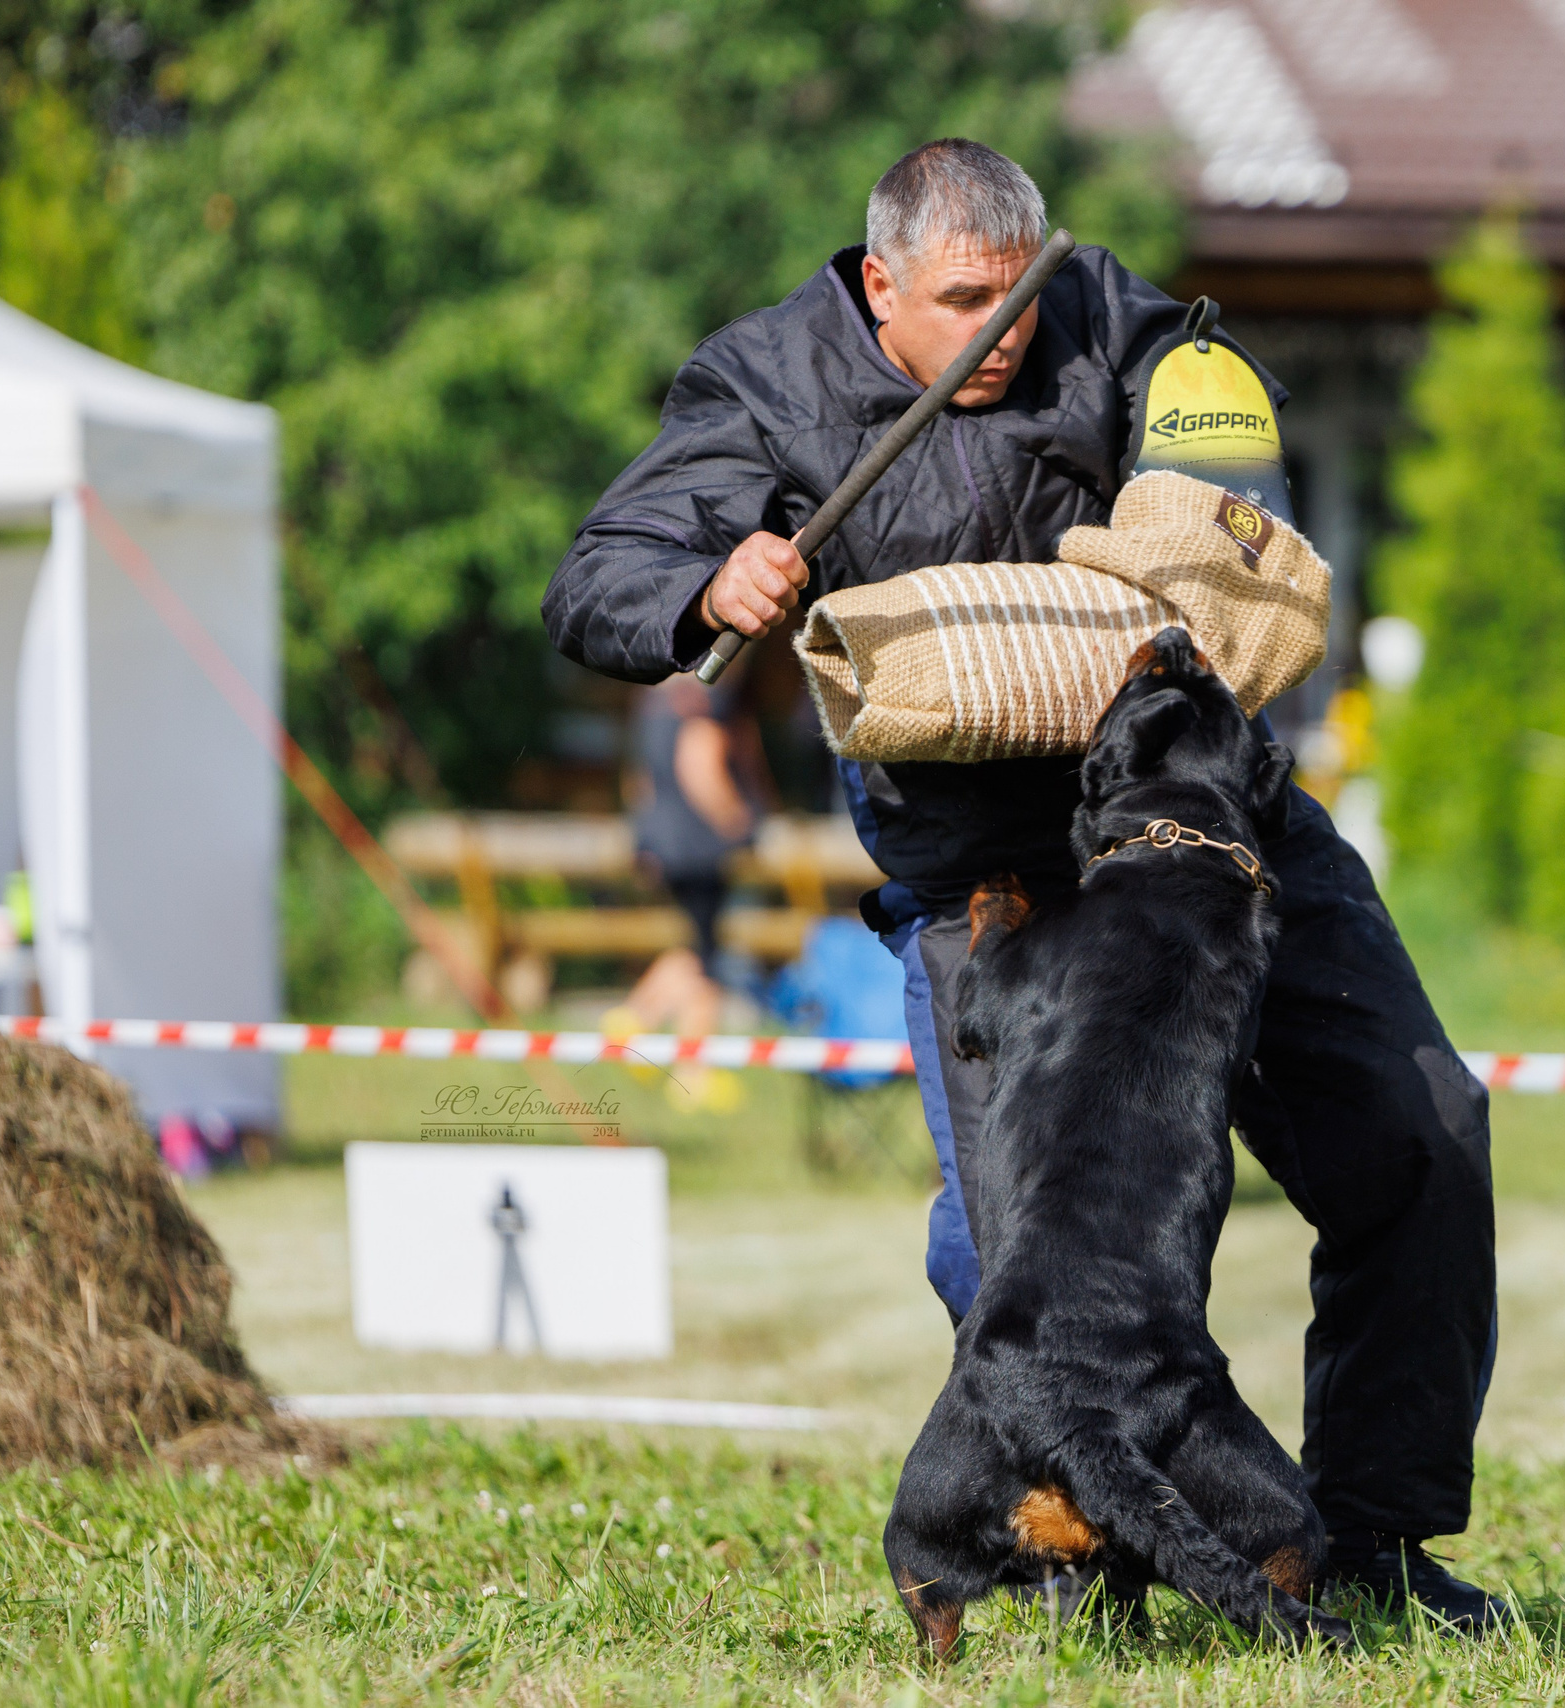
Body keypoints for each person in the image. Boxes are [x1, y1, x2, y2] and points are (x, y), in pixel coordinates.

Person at [544, 140, 1503, 1626]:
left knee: (1422, 1130)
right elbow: (601, 567)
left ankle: (1378, 1541)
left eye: (1021, 295)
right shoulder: (763, 386)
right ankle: (1079, 1553)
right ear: (881, 286)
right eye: (963, 302)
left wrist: (1205, 490)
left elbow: (1221, 436)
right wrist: (701, 587)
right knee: (1010, 1252)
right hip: (993, 883)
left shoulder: (1106, 316)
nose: (1003, 331)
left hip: (1211, 837)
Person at [616, 672, 766, 1040]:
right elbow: (700, 765)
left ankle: (687, 1060)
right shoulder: (705, 704)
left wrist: (645, 838)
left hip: (662, 846)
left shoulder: (651, 703)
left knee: (698, 951)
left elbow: (638, 782)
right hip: (699, 849)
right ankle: (633, 1020)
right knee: (702, 958)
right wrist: (738, 820)